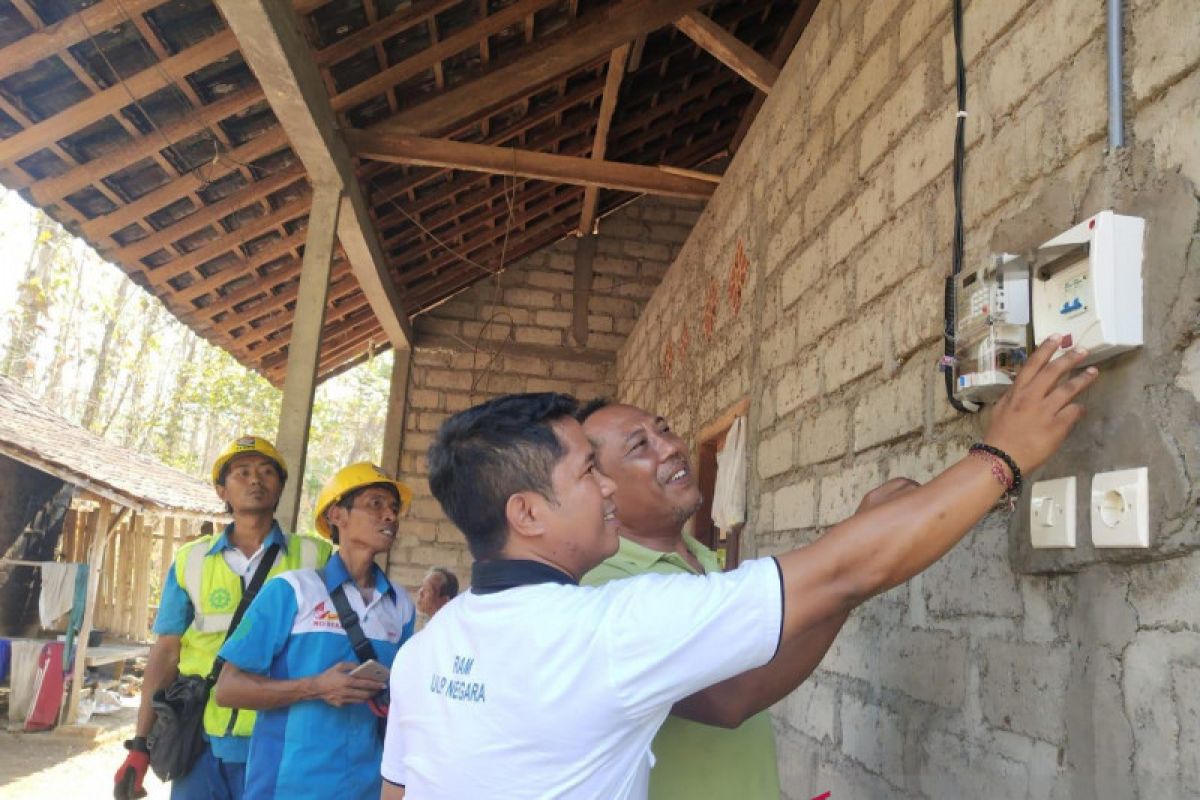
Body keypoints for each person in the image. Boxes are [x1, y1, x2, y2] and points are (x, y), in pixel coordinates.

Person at [380, 336, 1096, 799]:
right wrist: (1004, 455)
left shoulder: (430, 648)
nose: (605, 487)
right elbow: (843, 573)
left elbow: (400, 794)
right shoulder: (610, 626)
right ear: (527, 514)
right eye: (588, 472)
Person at [579, 398, 916, 800]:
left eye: (664, 429)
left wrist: (856, 562)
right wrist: (859, 570)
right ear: (603, 490)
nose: (670, 447)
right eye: (639, 446)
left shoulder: (702, 558)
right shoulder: (604, 586)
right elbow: (728, 699)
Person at [115, 436, 331, 800]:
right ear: (222, 490)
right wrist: (140, 743)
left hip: (281, 735)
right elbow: (165, 652)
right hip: (199, 738)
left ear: (280, 487)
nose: (255, 480)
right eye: (242, 473)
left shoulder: (316, 557)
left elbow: (358, 603)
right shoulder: (190, 560)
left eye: (266, 472)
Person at [213, 462, 417, 800]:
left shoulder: (400, 605)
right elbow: (228, 690)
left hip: (368, 788)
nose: (390, 516)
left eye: (394, 509)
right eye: (375, 504)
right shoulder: (292, 591)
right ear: (338, 515)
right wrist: (316, 688)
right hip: (287, 787)